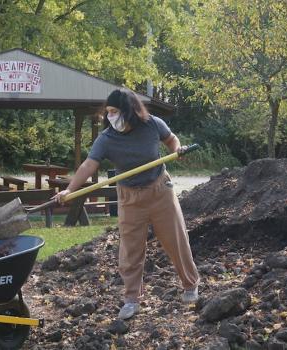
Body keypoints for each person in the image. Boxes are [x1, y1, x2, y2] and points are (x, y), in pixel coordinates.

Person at [54, 88, 200, 320]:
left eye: (114, 111)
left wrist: (177, 150)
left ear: (130, 111)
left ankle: (190, 285)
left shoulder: (152, 124)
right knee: (130, 250)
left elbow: (171, 140)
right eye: (108, 112)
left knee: (175, 240)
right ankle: (131, 299)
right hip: (130, 197)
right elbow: (89, 165)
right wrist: (70, 189)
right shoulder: (107, 138)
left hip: (160, 190)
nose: (110, 116)